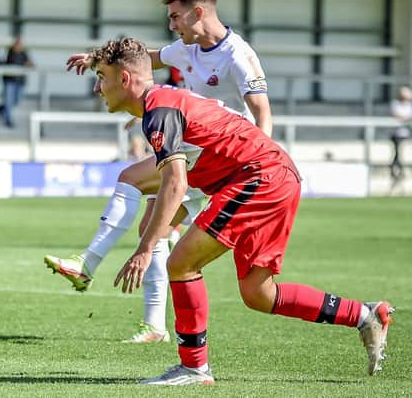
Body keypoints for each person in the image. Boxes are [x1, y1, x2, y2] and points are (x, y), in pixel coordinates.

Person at [92, 37, 394, 384]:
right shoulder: (163, 104)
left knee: (181, 263)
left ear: (125, 79)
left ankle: (194, 367)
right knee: (258, 293)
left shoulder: (160, 110)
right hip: (274, 176)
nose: (99, 87)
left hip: (259, 178)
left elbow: (175, 184)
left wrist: (145, 249)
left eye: (102, 76)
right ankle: (365, 314)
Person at [46, 0, 272, 343]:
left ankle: (87, 263)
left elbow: (262, 111)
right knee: (152, 227)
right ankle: (154, 326)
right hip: (191, 147)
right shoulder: (187, 48)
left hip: (226, 152)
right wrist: (95, 60)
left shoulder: (238, 55)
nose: (171, 24)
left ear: (198, 12)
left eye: (175, 16)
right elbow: (142, 61)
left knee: (133, 178)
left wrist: (259, 167)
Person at [0, 36, 33, 127]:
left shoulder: (24, 54)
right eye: (17, 44)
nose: (18, 46)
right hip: (10, 81)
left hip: (20, 82)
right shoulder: (9, 53)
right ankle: (8, 120)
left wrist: (29, 64)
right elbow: (3, 63)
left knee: (17, 100)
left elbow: (30, 63)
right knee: (9, 101)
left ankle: (2, 108)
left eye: (19, 44)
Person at [389, 85, 412, 186]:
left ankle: (401, 170)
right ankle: (397, 172)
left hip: (407, 134)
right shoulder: (395, 104)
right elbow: (398, 116)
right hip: (397, 134)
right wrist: (406, 118)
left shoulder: (409, 105)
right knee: (397, 154)